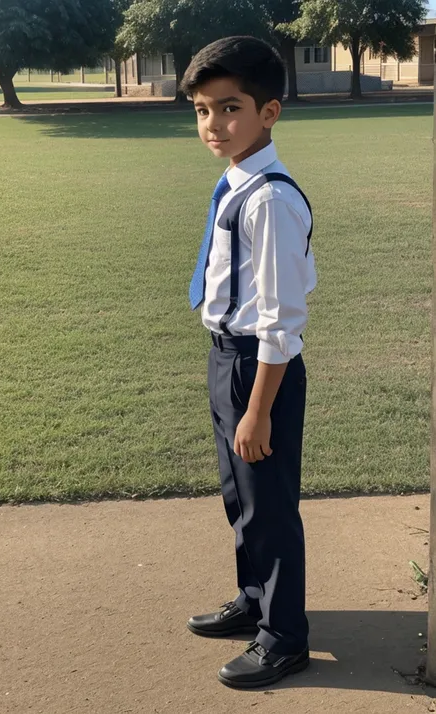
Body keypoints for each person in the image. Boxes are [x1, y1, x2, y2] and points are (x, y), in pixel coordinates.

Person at [182, 36, 317, 690]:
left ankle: (284, 637)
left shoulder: (270, 198)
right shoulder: (237, 177)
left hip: (259, 370)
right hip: (226, 361)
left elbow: (281, 323)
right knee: (241, 499)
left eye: (229, 109)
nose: (214, 125)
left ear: (270, 112)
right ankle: (254, 600)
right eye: (204, 110)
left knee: (269, 506)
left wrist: (257, 409)